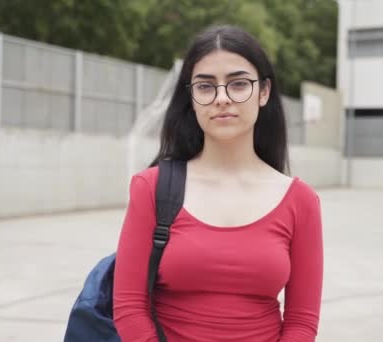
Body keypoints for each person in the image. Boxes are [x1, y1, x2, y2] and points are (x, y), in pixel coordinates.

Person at [113, 25, 323, 342]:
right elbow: (129, 307)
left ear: (264, 92)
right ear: (191, 97)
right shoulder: (151, 188)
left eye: (239, 84)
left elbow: (301, 323)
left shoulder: (300, 200)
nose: (222, 98)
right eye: (206, 86)